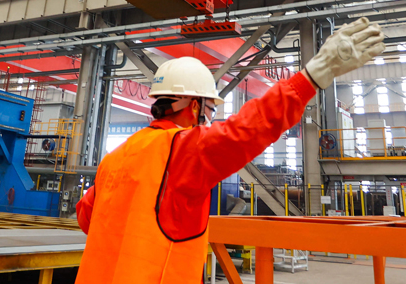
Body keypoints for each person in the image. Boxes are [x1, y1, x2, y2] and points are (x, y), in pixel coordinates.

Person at [75, 17, 385, 283]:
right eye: (210, 109)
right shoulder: (181, 150)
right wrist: (313, 76)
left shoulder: (115, 157)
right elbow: (247, 129)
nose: (211, 118)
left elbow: (86, 216)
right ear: (193, 107)